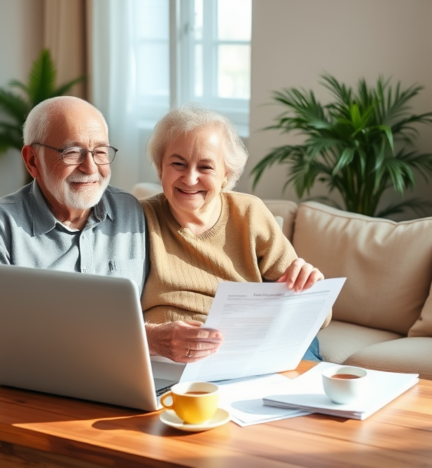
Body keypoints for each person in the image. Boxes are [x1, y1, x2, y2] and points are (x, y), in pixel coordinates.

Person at [0, 96, 147, 391]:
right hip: (12, 367)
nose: (90, 167)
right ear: (32, 161)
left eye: (100, 151)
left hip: (109, 364)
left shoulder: (130, 212)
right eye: (72, 152)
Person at [140, 104, 329, 363]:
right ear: (160, 167)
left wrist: (311, 289)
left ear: (226, 176)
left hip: (253, 348)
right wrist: (152, 338)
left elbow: (313, 316)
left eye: (205, 167)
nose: (190, 178)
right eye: (178, 163)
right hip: (173, 360)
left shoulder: (249, 213)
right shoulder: (138, 219)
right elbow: (108, 316)